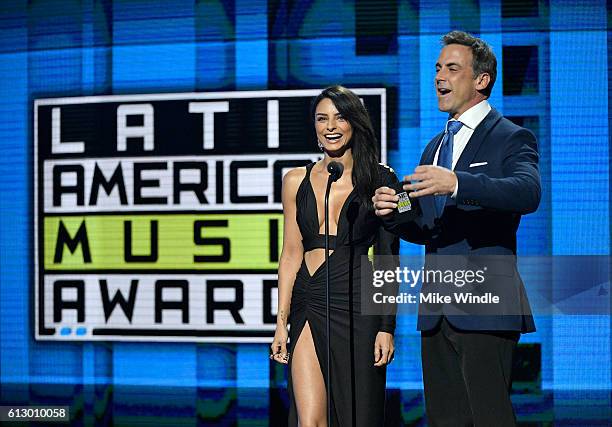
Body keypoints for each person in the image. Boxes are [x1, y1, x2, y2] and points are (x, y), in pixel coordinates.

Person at [372, 31, 541, 426]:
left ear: (481, 79)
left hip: (485, 305)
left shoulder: (511, 137)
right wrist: (392, 210)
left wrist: (459, 183)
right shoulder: (434, 146)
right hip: (435, 311)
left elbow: (527, 193)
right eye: (436, 69)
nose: (439, 77)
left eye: (451, 68)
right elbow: (429, 226)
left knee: (489, 417)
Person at [270, 85, 399, 427]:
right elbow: (290, 252)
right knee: (310, 419)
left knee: (359, 415)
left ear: (355, 123)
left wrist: (387, 326)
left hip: (357, 301)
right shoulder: (294, 180)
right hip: (308, 298)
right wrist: (281, 322)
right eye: (322, 118)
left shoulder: (382, 179)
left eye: (340, 117)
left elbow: (388, 258)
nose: (330, 126)